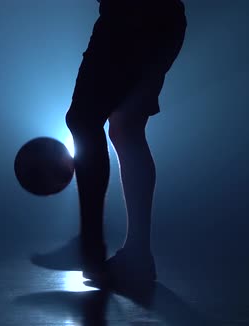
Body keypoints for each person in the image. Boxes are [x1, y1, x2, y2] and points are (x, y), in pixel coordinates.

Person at [31, 0, 187, 283]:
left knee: (85, 120)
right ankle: (136, 254)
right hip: (157, 21)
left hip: (131, 19)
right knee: (126, 129)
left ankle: (91, 247)